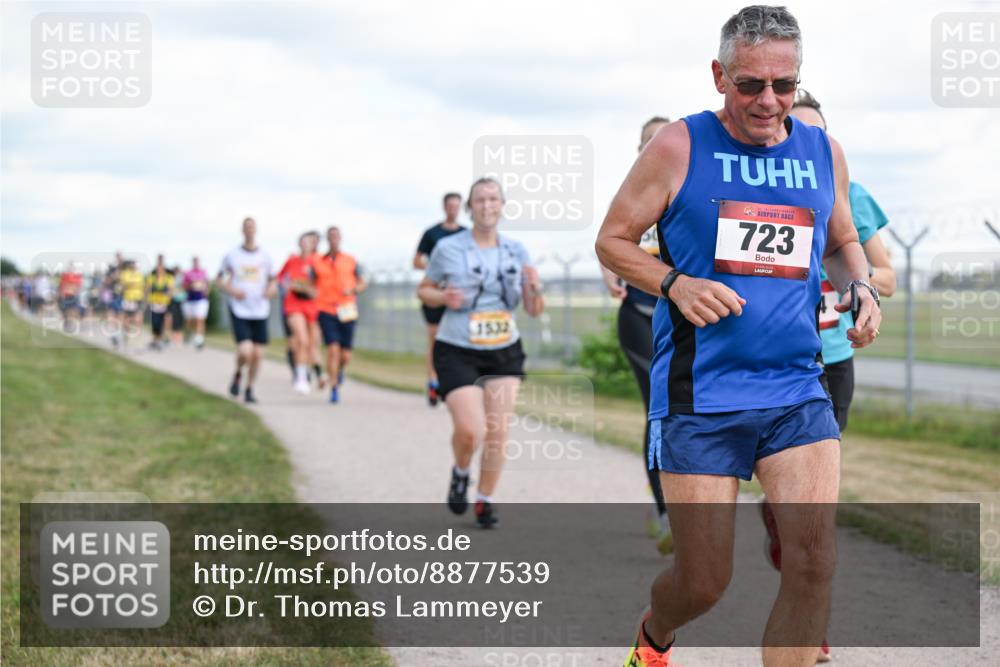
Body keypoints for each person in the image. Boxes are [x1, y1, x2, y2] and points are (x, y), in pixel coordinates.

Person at [594, 7, 882, 666]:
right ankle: (653, 638)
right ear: (719, 76)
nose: (769, 101)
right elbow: (612, 240)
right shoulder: (678, 146)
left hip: (795, 388)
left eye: (784, 85)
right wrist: (675, 283)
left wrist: (859, 284)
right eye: (751, 85)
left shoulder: (821, 151)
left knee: (814, 561)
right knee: (703, 583)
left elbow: (839, 240)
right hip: (702, 392)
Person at [757, 88, 898, 664]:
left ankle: (811, 628)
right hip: (768, 360)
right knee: (784, 508)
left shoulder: (850, 195)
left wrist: (849, 280)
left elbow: (884, 275)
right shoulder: (756, 186)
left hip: (829, 363)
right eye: (795, 130)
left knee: (815, 515)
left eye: (817, 135)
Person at [417, 177, 544, 529]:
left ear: (502, 206)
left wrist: (534, 287)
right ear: (470, 208)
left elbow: (533, 309)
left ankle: (485, 500)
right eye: (480, 200)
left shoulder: (517, 250)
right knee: (472, 431)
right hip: (457, 348)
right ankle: (460, 472)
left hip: (504, 349)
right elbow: (424, 290)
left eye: (493, 199)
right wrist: (444, 298)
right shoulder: (448, 248)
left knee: (498, 430)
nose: (487, 205)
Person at [600, 116, 674, 556]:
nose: (655, 147)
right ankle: (666, 511)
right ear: (638, 150)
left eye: (662, 140)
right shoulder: (627, 194)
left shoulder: (690, 188)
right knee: (657, 406)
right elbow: (609, 243)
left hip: (681, 314)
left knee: (687, 409)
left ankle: (687, 501)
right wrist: (609, 274)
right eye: (647, 142)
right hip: (638, 313)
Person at [413, 192, 466, 406]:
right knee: (435, 339)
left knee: (457, 340)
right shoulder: (432, 233)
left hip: (456, 294)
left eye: (456, 206)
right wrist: (436, 270)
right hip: (436, 293)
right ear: (444, 207)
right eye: (450, 206)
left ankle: (454, 383)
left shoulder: (466, 235)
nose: (453, 209)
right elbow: (416, 261)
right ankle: (433, 381)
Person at [217, 217, 277, 403]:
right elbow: (219, 279)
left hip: (260, 310)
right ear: (242, 230)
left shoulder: (265, 256)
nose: (250, 230)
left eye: (252, 227)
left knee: (258, 354)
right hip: (240, 309)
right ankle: (237, 373)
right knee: (245, 351)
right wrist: (232, 290)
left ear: (256, 230)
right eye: (247, 227)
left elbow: (273, 280)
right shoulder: (232, 255)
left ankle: (249, 388)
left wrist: (271, 290)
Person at [313, 226, 366, 403]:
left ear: (340, 238)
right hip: (326, 309)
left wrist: (353, 289)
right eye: (331, 237)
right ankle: (334, 387)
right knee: (333, 349)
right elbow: (310, 285)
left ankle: (339, 371)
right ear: (327, 239)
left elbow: (362, 283)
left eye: (336, 236)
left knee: (345, 355)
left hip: (347, 308)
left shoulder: (350, 260)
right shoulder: (319, 262)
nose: (334, 240)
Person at [278, 231, 321, 394]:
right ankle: (301, 377)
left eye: (309, 242)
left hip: (311, 305)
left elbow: (322, 284)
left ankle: (310, 372)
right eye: (303, 242)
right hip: (293, 304)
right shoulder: (292, 260)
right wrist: (290, 285)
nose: (306, 245)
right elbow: (281, 278)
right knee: (301, 339)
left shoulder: (317, 262)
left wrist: (313, 291)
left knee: (311, 343)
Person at [146, 256, 175, 350]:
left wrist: (167, 297)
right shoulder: (151, 278)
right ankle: (155, 340)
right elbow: (147, 289)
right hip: (154, 303)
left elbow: (170, 291)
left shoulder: (168, 278)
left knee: (163, 323)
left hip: (164, 304)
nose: (159, 271)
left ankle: (161, 340)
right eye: (158, 269)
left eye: (161, 269)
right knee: (155, 323)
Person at [181, 256, 210, 349]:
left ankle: (199, 339)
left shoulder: (203, 272)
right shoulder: (187, 273)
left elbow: (207, 285)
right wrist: (191, 285)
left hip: (201, 300)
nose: (196, 263)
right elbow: (184, 286)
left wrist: (205, 290)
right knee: (189, 320)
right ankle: (189, 333)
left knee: (199, 319)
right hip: (190, 299)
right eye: (195, 261)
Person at [118, 259, 146, 351]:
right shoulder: (124, 274)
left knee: (138, 320)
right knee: (127, 320)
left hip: (138, 299)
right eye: (132, 265)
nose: (134, 266)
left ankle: (138, 342)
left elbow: (143, 287)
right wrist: (131, 285)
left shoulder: (140, 275)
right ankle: (126, 337)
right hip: (128, 299)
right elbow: (123, 287)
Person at [168, 265, 186, 346]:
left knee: (180, 318)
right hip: (172, 300)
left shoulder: (182, 279)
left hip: (181, 300)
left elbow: (184, 288)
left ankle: (179, 337)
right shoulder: (170, 279)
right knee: (172, 318)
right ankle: (172, 336)